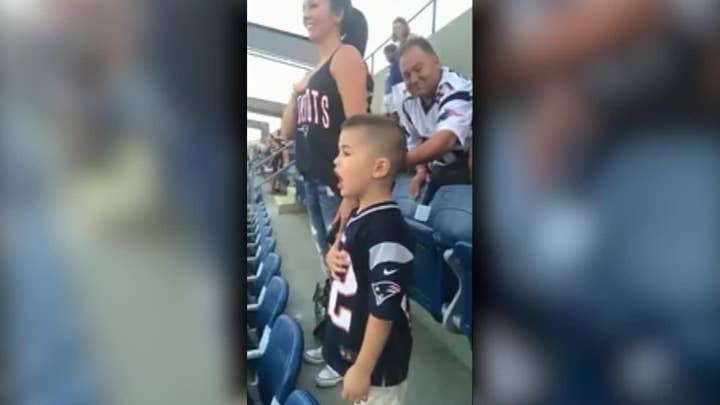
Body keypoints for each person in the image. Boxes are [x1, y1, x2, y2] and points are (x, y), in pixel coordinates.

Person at [279, 0, 372, 387]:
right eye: (304, 6)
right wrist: (296, 91)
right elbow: (286, 132)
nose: (306, 11)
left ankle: (347, 356)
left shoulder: (346, 56)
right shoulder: (313, 71)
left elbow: (358, 130)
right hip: (310, 182)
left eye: (314, 4)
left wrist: (351, 194)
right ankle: (333, 339)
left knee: (348, 273)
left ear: (338, 14)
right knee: (330, 268)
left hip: (336, 186)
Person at [325, 114, 414, 404]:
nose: (336, 160)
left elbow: (384, 308)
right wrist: (332, 255)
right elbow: (345, 250)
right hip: (354, 352)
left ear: (379, 167)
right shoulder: (360, 213)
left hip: (377, 370)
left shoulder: (387, 227)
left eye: (346, 152)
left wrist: (363, 368)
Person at [396, 37, 473, 203]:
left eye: (418, 69)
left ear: (435, 61)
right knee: (423, 205)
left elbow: (445, 140)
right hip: (442, 165)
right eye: (407, 75)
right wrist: (421, 170)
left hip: (467, 159)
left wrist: (395, 162)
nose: (414, 79)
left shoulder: (457, 87)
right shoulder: (406, 102)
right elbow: (414, 140)